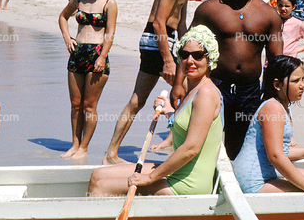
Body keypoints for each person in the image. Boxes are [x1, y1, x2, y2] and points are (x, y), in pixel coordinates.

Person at [89, 25, 223, 197]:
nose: (190, 61)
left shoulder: (206, 93)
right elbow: (190, 122)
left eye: (197, 55)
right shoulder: (192, 88)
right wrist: (170, 113)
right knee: (97, 176)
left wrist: (150, 178)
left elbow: (191, 148)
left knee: (102, 188)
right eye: (184, 55)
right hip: (178, 171)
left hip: (188, 183)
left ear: (210, 58)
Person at [182, 0, 283, 160]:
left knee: (241, 145)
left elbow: (276, 62)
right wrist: (179, 84)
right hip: (214, 86)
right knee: (203, 138)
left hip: (249, 90)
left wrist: (273, 96)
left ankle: (233, 181)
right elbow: (188, 47)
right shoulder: (209, 9)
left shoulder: (268, 14)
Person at [102, 0, 188, 164]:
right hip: (158, 40)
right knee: (188, 92)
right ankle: (175, 142)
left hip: (164, 38)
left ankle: (111, 154)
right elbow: (158, 23)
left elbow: (182, 24)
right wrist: (168, 61)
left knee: (137, 101)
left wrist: (188, 49)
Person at [232, 55, 304, 203]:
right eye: (295, 81)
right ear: (277, 84)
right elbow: (275, 156)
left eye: (303, 79)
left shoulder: (282, 106)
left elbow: (277, 150)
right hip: (254, 181)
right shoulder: (273, 108)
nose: (302, 85)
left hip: (268, 173)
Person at [59, 0, 117, 160]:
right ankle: (75, 145)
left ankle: (84, 148)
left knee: (89, 106)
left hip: (97, 53)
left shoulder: (109, 3)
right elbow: (63, 16)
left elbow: (110, 32)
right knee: (76, 104)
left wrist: (103, 56)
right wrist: (67, 38)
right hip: (77, 53)